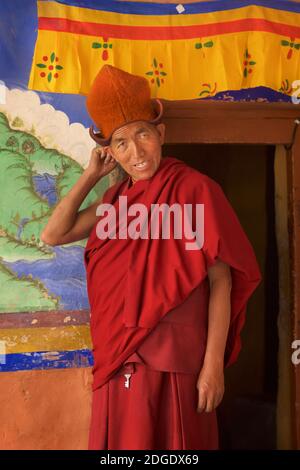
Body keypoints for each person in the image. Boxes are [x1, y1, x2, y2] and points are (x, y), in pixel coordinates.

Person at [41, 65, 262, 450]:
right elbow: (53, 234)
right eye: (121, 143)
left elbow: (221, 280)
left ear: (160, 133)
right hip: (118, 359)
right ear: (110, 151)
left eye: (142, 133)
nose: (136, 152)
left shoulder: (195, 191)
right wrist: (91, 176)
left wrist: (213, 367)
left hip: (178, 362)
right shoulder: (114, 204)